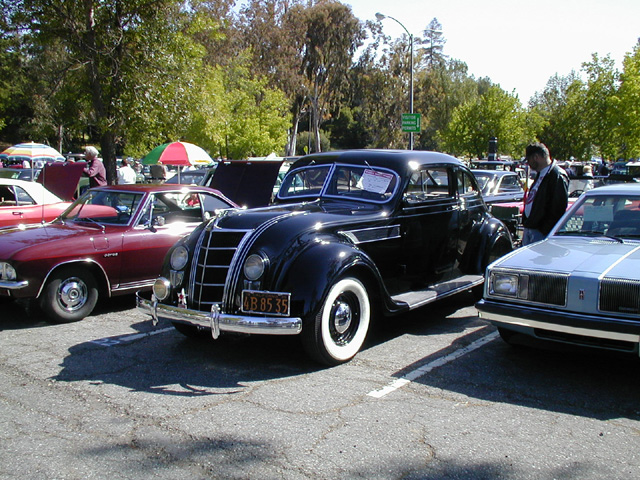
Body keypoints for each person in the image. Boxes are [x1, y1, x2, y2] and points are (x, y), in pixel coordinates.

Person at [522, 142, 569, 246]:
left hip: (541, 232)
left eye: (529, 160)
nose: (528, 164)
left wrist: (544, 229)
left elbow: (558, 208)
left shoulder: (557, 175)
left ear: (536, 157)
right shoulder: (541, 174)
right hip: (531, 228)